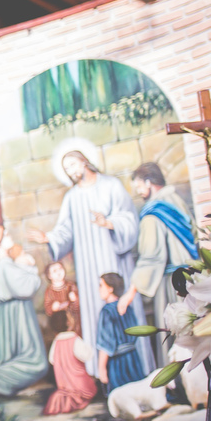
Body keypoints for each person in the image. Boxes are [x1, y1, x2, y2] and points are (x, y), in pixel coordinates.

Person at [27, 147, 148, 375]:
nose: (71, 171)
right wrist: (48, 238)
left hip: (114, 258)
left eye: (73, 165)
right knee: (96, 311)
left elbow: (129, 218)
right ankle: (101, 372)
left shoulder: (111, 185)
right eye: (66, 169)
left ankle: (137, 368)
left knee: (121, 308)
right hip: (87, 264)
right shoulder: (72, 197)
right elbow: (65, 230)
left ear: (84, 162)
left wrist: (109, 223)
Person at [117, 162, 196, 367]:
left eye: (139, 186)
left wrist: (130, 292)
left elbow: (151, 257)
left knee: (176, 333)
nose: (139, 192)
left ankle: (179, 381)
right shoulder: (176, 201)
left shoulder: (153, 213)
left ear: (148, 182)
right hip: (192, 278)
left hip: (172, 284)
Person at [0, 232, 48, 397]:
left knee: (9, 357)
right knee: (36, 362)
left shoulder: (6, 265)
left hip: (11, 313)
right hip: (17, 314)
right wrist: (29, 267)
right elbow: (26, 288)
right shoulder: (6, 265)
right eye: (6, 235)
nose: (10, 237)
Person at [41, 263, 96, 415]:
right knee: (66, 357)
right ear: (49, 276)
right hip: (60, 327)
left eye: (60, 269)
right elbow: (49, 309)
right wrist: (59, 306)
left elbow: (76, 306)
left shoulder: (70, 286)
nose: (58, 272)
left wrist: (71, 301)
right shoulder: (50, 291)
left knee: (76, 356)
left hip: (73, 326)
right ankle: (71, 383)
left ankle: (78, 379)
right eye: (54, 271)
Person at [96, 272, 146, 393]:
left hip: (117, 363)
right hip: (133, 359)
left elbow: (106, 343)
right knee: (137, 392)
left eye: (101, 285)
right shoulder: (128, 307)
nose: (99, 289)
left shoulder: (106, 311)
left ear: (110, 288)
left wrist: (101, 369)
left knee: (121, 395)